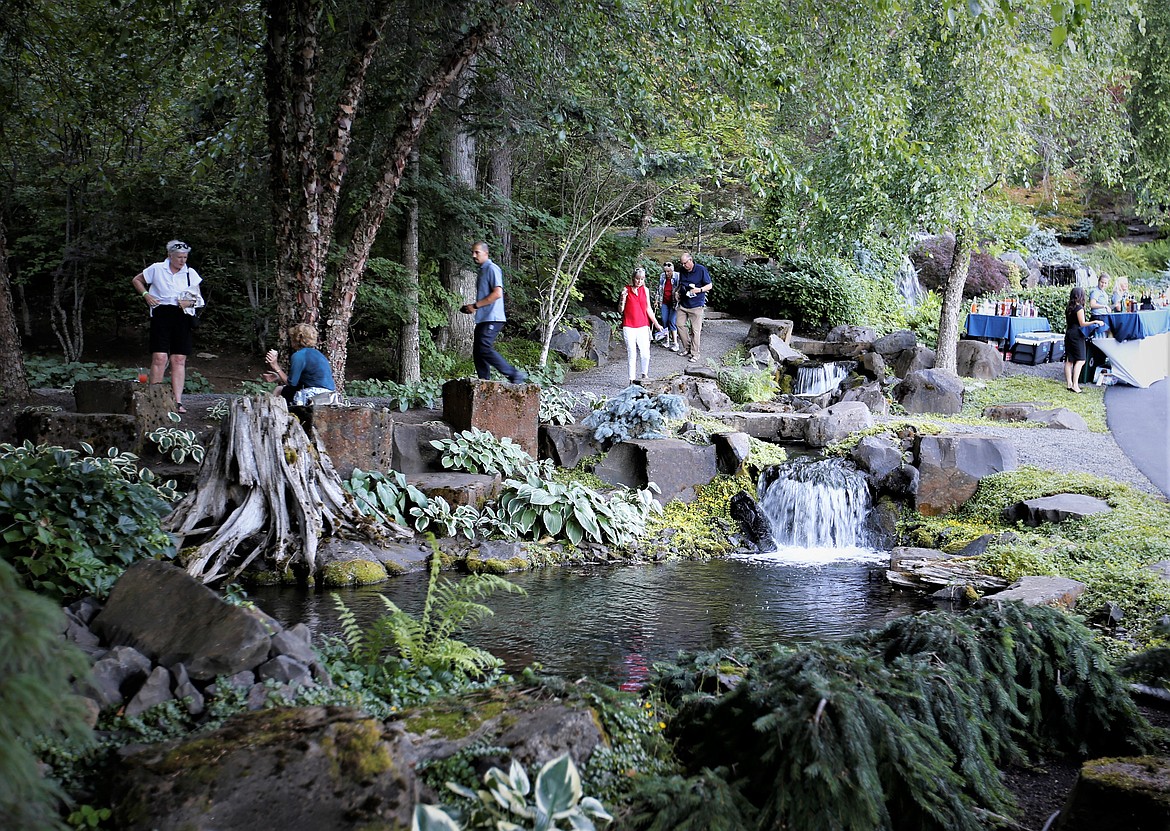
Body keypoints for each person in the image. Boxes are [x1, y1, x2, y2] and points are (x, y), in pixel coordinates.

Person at [130, 239, 204, 414]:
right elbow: (137, 280)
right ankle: (154, 399)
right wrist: (146, 295)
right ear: (170, 256)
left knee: (179, 359)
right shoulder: (157, 268)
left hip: (183, 315)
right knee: (160, 357)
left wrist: (189, 302)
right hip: (161, 313)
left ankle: (177, 401)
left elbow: (198, 298)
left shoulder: (190, 273)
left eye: (185, 257)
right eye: (179, 257)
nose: (182, 261)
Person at [460, 242, 528, 384]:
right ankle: (484, 383)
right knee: (478, 353)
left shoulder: (492, 268)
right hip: (483, 318)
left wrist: (475, 305)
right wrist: (472, 307)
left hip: (493, 318)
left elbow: (497, 293)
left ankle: (514, 375)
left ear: (486, 253)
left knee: (484, 348)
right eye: (473, 252)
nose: (473, 255)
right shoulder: (482, 270)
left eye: (477, 252)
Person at [263, 323, 336, 405]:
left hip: (314, 395)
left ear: (296, 338)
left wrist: (275, 365)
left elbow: (292, 383)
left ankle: (274, 413)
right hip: (330, 395)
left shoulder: (299, 355)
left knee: (279, 389)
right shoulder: (319, 355)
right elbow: (308, 380)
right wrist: (278, 377)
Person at [619, 267, 663, 385]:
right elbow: (621, 310)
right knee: (632, 352)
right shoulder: (626, 289)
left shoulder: (646, 290)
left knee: (645, 352)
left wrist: (656, 324)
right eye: (638, 279)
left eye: (642, 279)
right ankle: (631, 379)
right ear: (633, 278)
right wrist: (623, 298)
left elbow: (648, 308)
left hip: (643, 325)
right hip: (629, 325)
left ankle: (644, 374)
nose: (639, 281)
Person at [1064, 286, 1105, 394]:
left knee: (1069, 360)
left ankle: (1069, 384)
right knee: (1081, 360)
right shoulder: (1079, 308)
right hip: (1077, 335)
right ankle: (1075, 385)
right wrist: (1095, 322)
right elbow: (1082, 323)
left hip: (1068, 333)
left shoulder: (1069, 307)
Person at [676, 252, 713, 362]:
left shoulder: (701, 269)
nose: (683, 265)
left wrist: (699, 290)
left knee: (695, 330)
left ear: (690, 260)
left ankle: (695, 353)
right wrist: (677, 292)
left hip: (696, 305)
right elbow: (681, 284)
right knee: (679, 325)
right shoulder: (682, 270)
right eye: (682, 264)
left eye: (685, 263)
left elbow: (709, 285)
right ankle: (687, 348)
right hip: (683, 303)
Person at [655, 261, 681, 351]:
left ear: (672, 270)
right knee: (664, 320)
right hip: (664, 302)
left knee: (671, 321)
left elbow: (680, 289)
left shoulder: (677, 276)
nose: (667, 273)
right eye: (665, 271)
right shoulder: (662, 276)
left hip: (674, 303)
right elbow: (659, 289)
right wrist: (657, 300)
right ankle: (667, 341)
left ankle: (675, 343)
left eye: (669, 271)